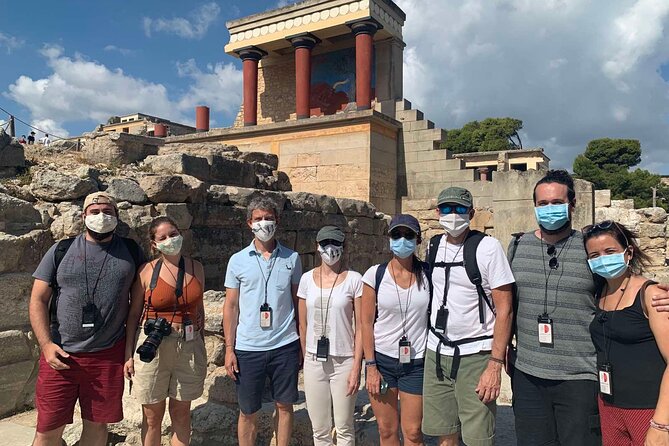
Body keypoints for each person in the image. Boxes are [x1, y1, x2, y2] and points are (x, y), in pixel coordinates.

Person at [29, 192, 144, 446]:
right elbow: (37, 299)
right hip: (61, 354)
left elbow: (136, 308)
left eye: (108, 211)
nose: (101, 216)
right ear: (84, 216)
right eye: (95, 211)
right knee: (47, 431)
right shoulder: (61, 250)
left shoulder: (132, 252)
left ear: (116, 216)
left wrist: (128, 353)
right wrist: (46, 345)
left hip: (107, 355)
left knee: (97, 429)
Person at [508, 169, 603, 446]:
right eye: (543, 204)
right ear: (535, 206)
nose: (550, 209)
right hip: (527, 375)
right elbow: (507, 303)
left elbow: (620, 288)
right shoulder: (516, 246)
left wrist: (651, 293)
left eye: (557, 203)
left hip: (580, 375)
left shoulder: (589, 248)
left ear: (572, 205)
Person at [422, 187, 515, 446]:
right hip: (437, 351)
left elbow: (505, 308)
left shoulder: (488, 248)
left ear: (471, 213)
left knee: (478, 436)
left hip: (476, 353)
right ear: (438, 212)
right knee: (444, 431)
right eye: (447, 209)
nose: (453, 214)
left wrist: (495, 364)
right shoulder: (433, 245)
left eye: (460, 209)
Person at [223, 197, 303, 446]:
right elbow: (231, 306)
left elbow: (297, 301)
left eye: (268, 218)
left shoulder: (292, 258)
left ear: (277, 221)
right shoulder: (237, 260)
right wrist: (229, 349)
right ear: (249, 223)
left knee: (285, 405)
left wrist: (302, 343)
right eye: (258, 219)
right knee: (248, 410)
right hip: (248, 347)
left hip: (285, 344)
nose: (264, 223)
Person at [584, 220, 669, 446]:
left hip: (647, 408)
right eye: (594, 255)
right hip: (609, 406)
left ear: (628, 252)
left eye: (609, 251)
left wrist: (661, 423)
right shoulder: (598, 293)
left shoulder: (652, 295)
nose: (602, 259)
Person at [124, 216, 207, 446]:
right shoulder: (146, 272)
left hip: (188, 344)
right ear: (154, 244)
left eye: (173, 234)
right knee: (152, 417)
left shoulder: (196, 268)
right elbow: (133, 316)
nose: (170, 240)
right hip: (154, 345)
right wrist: (128, 355)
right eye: (163, 237)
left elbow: (199, 309)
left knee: (181, 413)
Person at [361, 214, 430, 446]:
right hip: (382, 362)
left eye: (409, 235)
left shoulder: (428, 274)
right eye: (397, 234)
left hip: (417, 363)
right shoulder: (375, 275)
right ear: (389, 239)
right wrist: (370, 365)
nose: (403, 239)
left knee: (413, 432)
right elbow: (366, 323)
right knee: (386, 430)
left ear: (418, 240)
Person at [298, 225, 363, 446]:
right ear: (317, 247)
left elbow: (362, 326)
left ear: (343, 247)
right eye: (325, 243)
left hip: (344, 359)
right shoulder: (307, 279)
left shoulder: (354, 279)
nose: (330, 248)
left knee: (344, 426)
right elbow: (303, 323)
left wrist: (356, 366)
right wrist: (306, 356)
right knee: (319, 428)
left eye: (335, 243)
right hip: (315, 360)